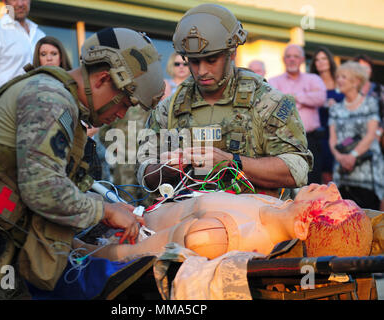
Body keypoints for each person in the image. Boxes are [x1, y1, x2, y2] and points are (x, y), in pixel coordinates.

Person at [0, 27, 165, 299]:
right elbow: (42, 189)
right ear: (103, 79)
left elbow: (53, 180)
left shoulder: (59, 100)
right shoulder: (50, 99)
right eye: (124, 103)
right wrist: (104, 211)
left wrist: (106, 206)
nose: (121, 113)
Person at [137, 4, 313, 198]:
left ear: (232, 54)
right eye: (194, 61)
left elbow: (297, 169)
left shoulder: (267, 102)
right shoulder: (168, 108)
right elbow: (144, 172)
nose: (201, 71)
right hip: (189, 219)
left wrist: (232, 162)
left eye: (211, 60)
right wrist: (168, 169)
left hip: (257, 220)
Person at [76, 183, 373, 262]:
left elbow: (131, 255)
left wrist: (75, 248)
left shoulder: (216, 235)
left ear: (301, 229)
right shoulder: (283, 208)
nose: (333, 187)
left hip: (107, 235)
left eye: (333, 201)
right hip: (127, 214)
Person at [328, 61, 384, 211]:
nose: (339, 80)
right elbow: (332, 139)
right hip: (343, 172)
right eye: (338, 76)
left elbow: (371, 134)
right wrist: (340, 158)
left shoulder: (370, 103)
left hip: (367, 173)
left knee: (369, 218)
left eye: (344, 77)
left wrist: (352, 155)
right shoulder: (335, 109)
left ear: (356, 81)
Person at [269, 44, 327, 185]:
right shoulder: (273, 81)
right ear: (283, 60)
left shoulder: (313, 79)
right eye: (288, 56)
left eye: (296, 56)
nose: (292, 60)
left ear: (302, 60)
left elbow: (320, 97)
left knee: (312, 183)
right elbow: (271, 104)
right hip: (282, 141)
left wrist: (295, 97)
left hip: (310, 141)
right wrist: (306, 98)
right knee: (285, 183)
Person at [0, 0, 45, 101]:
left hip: (41, 108)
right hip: (8, 111)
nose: (20, 4)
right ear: (5, 1)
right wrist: (4, 111)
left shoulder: (40, 35)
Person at [309, 47, 344, 184]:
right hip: (320, 134)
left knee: (339, 172)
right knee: (322, 173)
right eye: (317, 59)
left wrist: (337, 105)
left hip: (340, 133)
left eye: (324, 58)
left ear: (330, 60)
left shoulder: (340, 80)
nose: (321, 62)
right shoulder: (311, 81)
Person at [353, 54, 384, 152]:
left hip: (377, 138)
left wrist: (379, 132)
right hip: (354, 139)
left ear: (371, 70)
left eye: (366, 67)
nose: (363, 70)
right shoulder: (349, 90)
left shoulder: (380, 89)